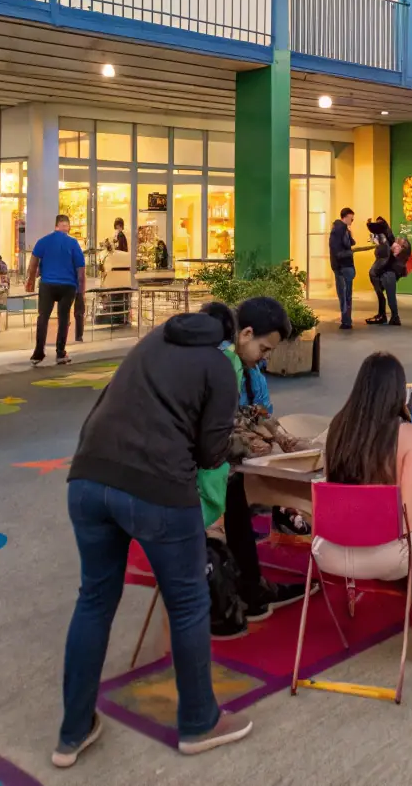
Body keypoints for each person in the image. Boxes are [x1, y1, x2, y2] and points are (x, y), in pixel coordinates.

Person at [56, 302, 252, 765]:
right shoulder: (218, 365)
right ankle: (200, 721)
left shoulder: (148, 345)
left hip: (87, 479)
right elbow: (209, 454)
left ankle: (72, 731)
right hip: (158, 489)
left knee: (95, 600)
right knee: (187, 602)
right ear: (228, 337)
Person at [196, 298, 309, 635]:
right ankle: (227, 601)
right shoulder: (223, 363)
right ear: (244, 333)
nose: (265, 356)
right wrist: (248, 442)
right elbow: (213, 430)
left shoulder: (237, 364)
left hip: (213, 471)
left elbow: (246, 415)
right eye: (264, 347)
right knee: (213, 534)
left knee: (236, 507)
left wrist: (276, 435)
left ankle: (248, 589)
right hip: (189, 474)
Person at [311, 352, 412, 582]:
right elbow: (409, 517)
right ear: (399, 391)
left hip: (329, 551)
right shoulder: (410, 436)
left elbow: (331, 487)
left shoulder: (337, 426)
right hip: (389, 556)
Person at [25, 214, 86, 366]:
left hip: (47, 285)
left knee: (43, 317)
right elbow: (81, 271)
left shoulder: (43, 241)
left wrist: (30, 281)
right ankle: (60, 353)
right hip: (68, 286)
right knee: (64, 318)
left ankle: (38, 353)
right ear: (67, 226)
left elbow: (33, 264)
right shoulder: (73, 243)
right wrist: (81, 292)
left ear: (56, 225)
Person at [329, 207, 357, 329]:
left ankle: (347, 320)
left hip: (344, 266)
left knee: (346, 294)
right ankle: (346, 321)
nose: (353, 220)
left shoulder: (343, 230)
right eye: (351, 218)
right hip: (342, 266)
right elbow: (336, 251)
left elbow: (351, 243)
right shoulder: (338, 230)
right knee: (345, 295)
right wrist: (349, 253)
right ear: (345, 217)